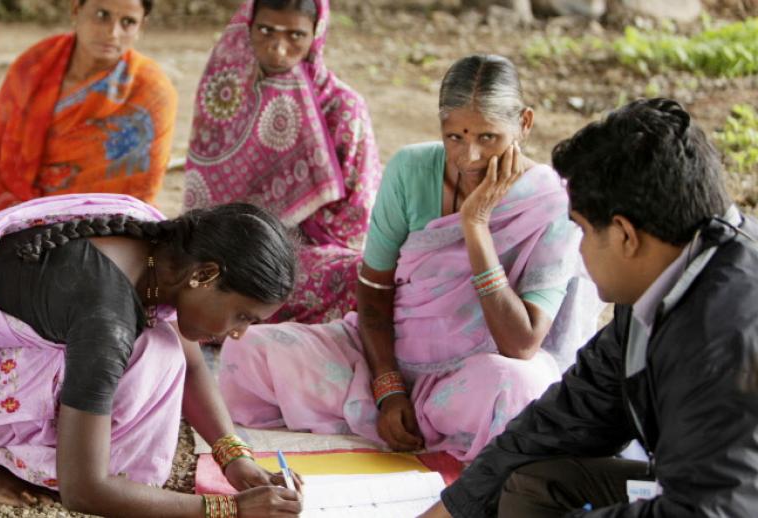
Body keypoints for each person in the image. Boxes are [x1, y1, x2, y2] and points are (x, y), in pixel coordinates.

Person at [216, 55, 603, 462]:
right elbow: (373, 290)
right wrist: (388, 389)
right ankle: (397, 417)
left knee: (523, 390)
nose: (469, 157)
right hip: (382, 363)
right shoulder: (411, 169)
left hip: (472, 379)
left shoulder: (551, 204)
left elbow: (521, 343)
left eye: (488, 137)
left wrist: (476, 225)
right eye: (454, 137)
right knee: (250, 349)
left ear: (524, 123)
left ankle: (428, 421)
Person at [0, 193, 304, 517]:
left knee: (161, 349)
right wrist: (228, 510)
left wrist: (235, 456)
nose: (240, 333)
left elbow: (190, 359)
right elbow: (85, 489)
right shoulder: (105, 320)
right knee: (150, 360)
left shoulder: (156, 240)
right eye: (242, 316)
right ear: (205, 275)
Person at [419, 99, 758, 517]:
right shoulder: (670, 282)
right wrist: (452, 509)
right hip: (705, 490)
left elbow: (710, 510)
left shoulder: (723, 336)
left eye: (580, 228)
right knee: (534, 486)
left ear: (624, 236)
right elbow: (573, 411)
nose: (579, 248)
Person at [0, 0, 177, 282]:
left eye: (127, 22)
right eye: (102, 15)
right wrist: (19, 217)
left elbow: (136, 199)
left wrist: (55, 229)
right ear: (76, 10)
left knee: (86, 271)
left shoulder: (151, 93)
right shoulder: (35, 64)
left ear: (141, 27)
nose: (113, 32)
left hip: (94, 235)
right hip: (11, 215)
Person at [183, 0, 382, 323]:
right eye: (265, 31)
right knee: (172, 269)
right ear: (247, 27)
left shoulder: (343, 108)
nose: (278, 48)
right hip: (225, 249)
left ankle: (232, 317)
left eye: (295, 35)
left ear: (315, 36)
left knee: (358, 277)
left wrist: (277, 244)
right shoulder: (226, 93)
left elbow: (356, 218)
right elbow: (203, 198)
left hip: (305, 254)